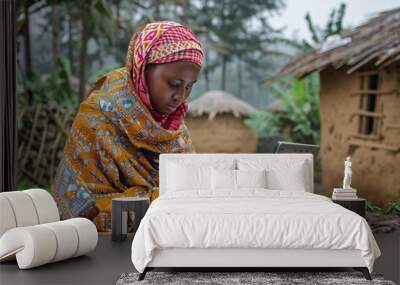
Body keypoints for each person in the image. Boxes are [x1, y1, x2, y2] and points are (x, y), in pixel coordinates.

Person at [50, 21, 204, 232]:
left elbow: (192, 191)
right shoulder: (97, 119)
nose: (181, 97)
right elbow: (82, 213)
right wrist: (159, 199)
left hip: (168, 244)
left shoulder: (176, 129)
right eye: (174, 84)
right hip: (99, 249)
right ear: (144, 70)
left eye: (189, 87)